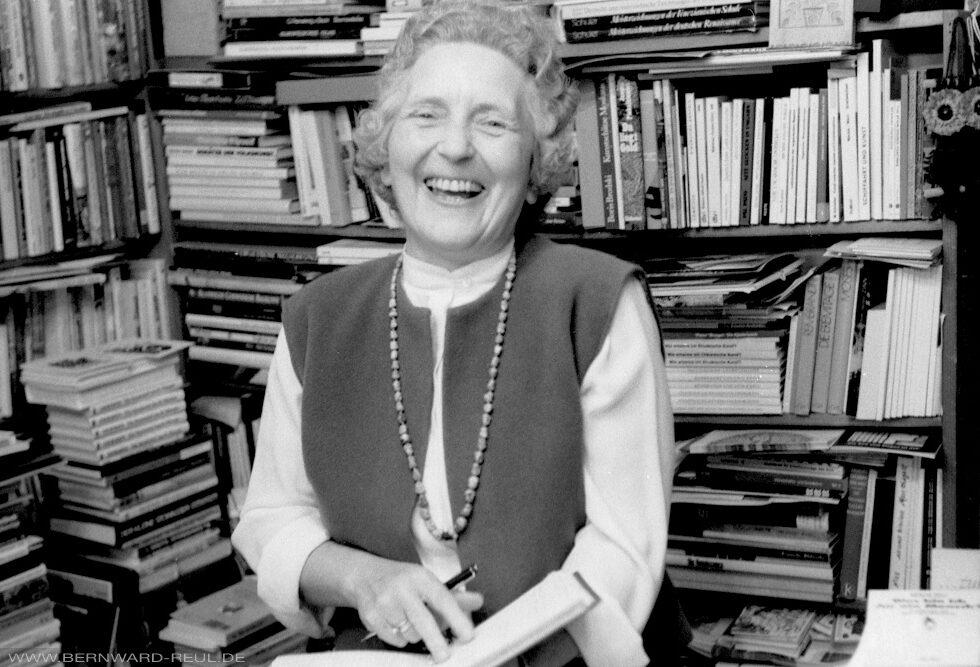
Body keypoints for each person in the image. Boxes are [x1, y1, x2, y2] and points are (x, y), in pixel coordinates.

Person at [230, 1, 683, 664]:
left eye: (493, 122)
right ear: (387, 144)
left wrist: (502, 652)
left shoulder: (596, 299)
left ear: (535, 159)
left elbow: (624, 548)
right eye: (427, 115)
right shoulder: (317, 317)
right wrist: (363, 579)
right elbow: (271, 521)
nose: (456, 147)